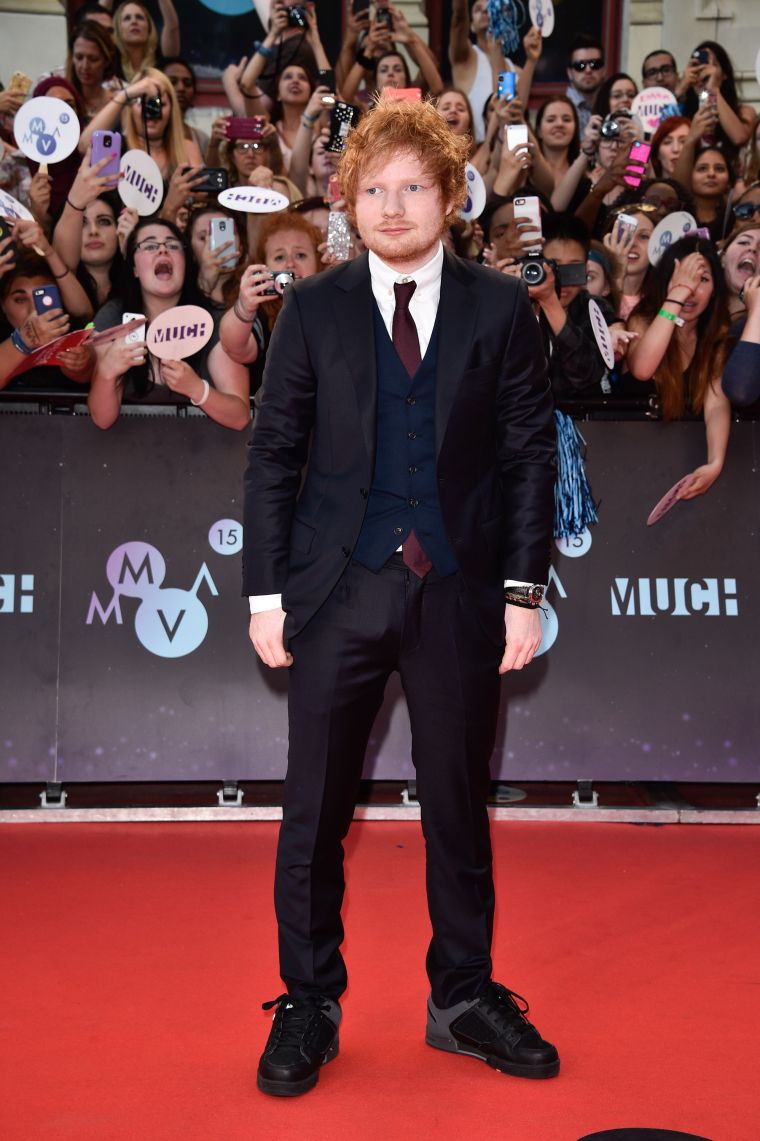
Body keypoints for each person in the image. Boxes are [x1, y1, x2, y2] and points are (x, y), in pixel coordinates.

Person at [243, 96, 559, 1098]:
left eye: (413, 186)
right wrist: (263, 597)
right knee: (314, 809)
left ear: (451, 194)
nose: (392, 205)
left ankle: (461, 996)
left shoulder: (498, 309)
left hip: (462, 593)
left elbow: (524, 461)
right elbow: (274, 457)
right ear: (349, 197)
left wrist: (520, 593)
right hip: (336, 591)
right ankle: (307, 999)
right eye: (373, 188)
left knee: (459, 804)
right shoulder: (316, 306)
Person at [88, 217, 249, 429]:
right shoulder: (114, 317)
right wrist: (107, 372)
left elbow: (239, 417)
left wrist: (198, 390)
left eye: (173, 245)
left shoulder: (216, 321)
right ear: (134, 268)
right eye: (150, 246)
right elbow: (102, 420)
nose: (163, 251)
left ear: (186, 263)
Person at [626, 234, 731, 497]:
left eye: (703, 279)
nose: (692, 288)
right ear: (665, 279)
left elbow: (716, 403)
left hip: (678, 464)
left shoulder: (716, 335)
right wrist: (675, 297)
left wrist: (715, 462)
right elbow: (642, 369)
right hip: (629, 456)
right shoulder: (643, 320)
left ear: (715, 289)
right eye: (683, 275)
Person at [112, 0, 180, 82]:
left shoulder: (161, 59)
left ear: (149, 28)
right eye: (127, 18)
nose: (134, 21)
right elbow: (96, 24)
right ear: (118, 29)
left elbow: (172, 27)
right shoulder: (110, 61)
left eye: (139, 17)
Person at [565, 35, 606, 135]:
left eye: (594, 64)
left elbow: (625, 150)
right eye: (580, 65)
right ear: (569, 73)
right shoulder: (559, 110)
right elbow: (557, 150)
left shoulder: (615, 105)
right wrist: (585, 148)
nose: (588, 70)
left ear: (604, 70)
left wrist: (642, 143)